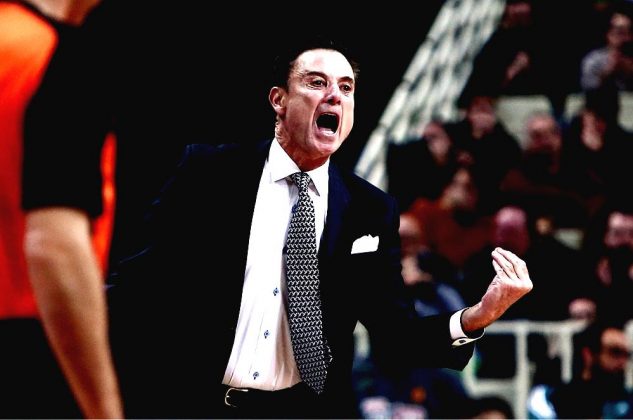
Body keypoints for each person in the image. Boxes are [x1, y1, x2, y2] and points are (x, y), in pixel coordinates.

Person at [107, 38, 533, 418]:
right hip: (192, 403)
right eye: (316, 82)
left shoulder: (370, 210)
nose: (335, 95)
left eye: (346, 88)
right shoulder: (210, 172)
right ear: (279, 99)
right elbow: (140, 279)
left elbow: (396, 334)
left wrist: (477, 315)